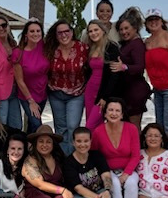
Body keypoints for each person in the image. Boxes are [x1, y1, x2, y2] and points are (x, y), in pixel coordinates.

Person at [91, 98, 140, 198]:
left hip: (128, 169)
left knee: (131, 183)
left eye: (117, 110)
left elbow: (136, 155)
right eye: (110, 110)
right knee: (115, 185)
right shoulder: (98, 131)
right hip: (107, 170)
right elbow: (95, 154)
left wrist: (125, 174)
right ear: (105, 113)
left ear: (122, 114)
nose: (114, 113)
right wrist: (105, 173)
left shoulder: (131, 129)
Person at [45, 19, 89, 154]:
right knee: (60, 128)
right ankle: (63, 158)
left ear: (72, 32)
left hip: (76, 94)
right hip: (55, 93)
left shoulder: (83, 48)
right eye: (60, 33)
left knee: (72, 126)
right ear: (55, 35)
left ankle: (73, 158)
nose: (64, 35)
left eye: (66, 31)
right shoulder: (51, 49)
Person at [110, 8, 150, 130]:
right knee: (126, 127)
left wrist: (124, 67)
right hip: (125, 91)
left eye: (126, 28)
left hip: (135, 91)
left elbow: (140, 66)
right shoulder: (126, 43)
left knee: (133, 127)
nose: (124, 32)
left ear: (135, 28)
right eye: (121, 29)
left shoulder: (137, 44)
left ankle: (137, 143)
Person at [83, 19, 121, 131]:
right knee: (93, 123)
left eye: (96, 30)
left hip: (103, 92)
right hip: (90, 90)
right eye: (90, 31)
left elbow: (114, 75)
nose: (93, 33)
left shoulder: (111, 47)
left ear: (103, 30)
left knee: (90, 126)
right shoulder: (91, 48)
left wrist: (105, 96)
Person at [12, 19, 49, 134]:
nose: (35, 34)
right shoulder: (18, 53)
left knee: (32, 126)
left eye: (38, 31)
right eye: (32, 31)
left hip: (42, 93)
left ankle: (27, 143)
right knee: (37, 124)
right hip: (27, 95)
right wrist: (31, 101)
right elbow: (19, 80)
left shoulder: (44, 47)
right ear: (26, 34)